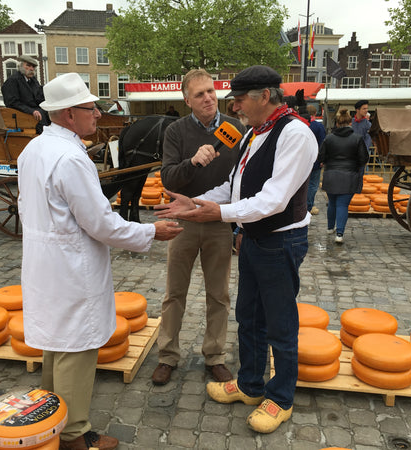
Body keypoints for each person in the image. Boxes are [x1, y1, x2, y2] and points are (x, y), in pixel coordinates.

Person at [17, 73, 182, 450]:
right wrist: (151, 232)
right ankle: (74, 434)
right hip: (72, 266)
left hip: (45, 261)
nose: (97, 113)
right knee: (75, 347)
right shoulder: (70, 158)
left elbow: (28, 208)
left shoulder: (33, 150)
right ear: (69, 115)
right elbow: (101, 223)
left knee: (55, 343)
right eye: (90, 107)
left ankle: (49, 416)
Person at [155, 65, 317, 434]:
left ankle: (280, 398)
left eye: (240, 99)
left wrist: (220, 213)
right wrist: (194, 205)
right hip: (255, 238)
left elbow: (274, 200)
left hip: (281, 239)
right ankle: (250, 385)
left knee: (279, 323)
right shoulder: (254, 134)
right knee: (249, 316)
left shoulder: (295, 134)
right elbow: (233, 185)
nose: (235, 106)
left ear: (264, 96)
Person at [152, 69, 246, 386]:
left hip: (219, 222)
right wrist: (192, 162)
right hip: (183, 223)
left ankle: (215, 356)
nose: (208, 98)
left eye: (210, 91)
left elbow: (242, 182)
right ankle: (167, 355)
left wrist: (239, 221)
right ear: (186, 100)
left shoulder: (236, 129)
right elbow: (168, 179)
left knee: (218, 294)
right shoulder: (176, 132)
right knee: (174, 293)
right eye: (199, 94)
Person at [318, 107, 369, 244]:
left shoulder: (329, 139)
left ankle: (330, 228)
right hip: (349, 175)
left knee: (332, 203)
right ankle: (339, 233)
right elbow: (364, 158)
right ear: (350, 123)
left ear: (337, 124)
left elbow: (321, 157)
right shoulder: (357, 139)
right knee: (342, 205)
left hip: (331, 174)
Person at [2, 55, 50, 134]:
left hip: (36, 112)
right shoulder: (13, 80)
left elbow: (39, 97)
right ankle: (43, 137)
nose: (31, 69)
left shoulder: (33, 80)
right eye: (28, 65)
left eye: (33, 67)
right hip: (23, 115)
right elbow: (12, 102)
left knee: (52, 112)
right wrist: (31, 111)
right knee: (40, 114)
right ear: (20, 66)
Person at [306, 104, 326, 215]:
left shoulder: (302, 124)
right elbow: (323, 144)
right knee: (313, 185)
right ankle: (308, 206)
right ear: (315, 113)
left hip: (302, 161)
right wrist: (322, 159)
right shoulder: (318, 127)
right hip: (315, 160)